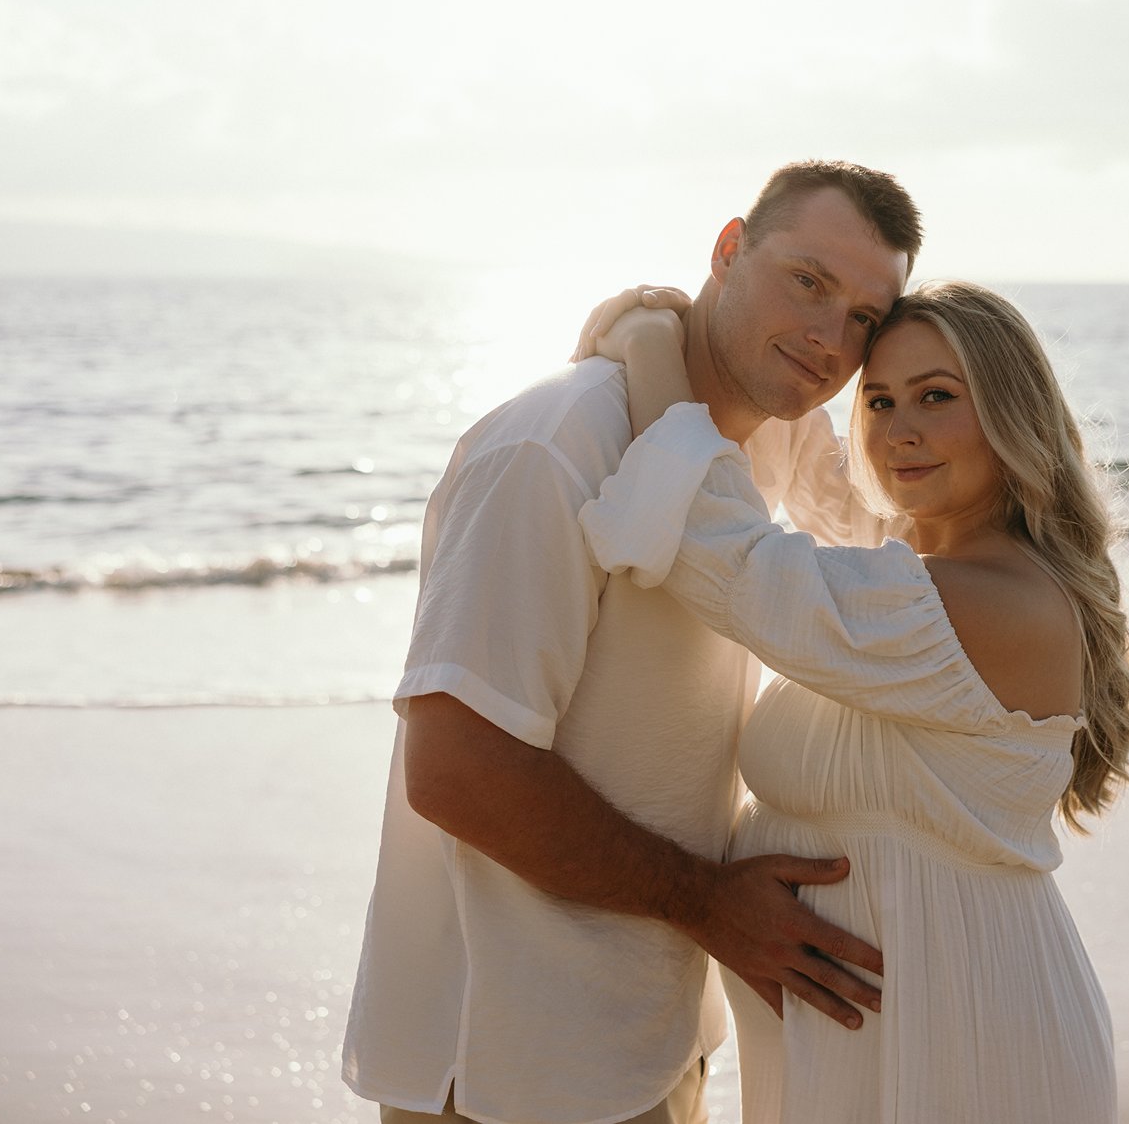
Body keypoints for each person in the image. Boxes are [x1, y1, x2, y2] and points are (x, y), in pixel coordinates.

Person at [342, 161, 924, 1124]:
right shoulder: (550, 448)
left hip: (652, 1040)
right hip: (508, 1061)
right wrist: (707, 901)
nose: (830, 338)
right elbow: (456, 769)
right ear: (728, 249)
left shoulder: (768, 444)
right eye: (808, 283)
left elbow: (896, 553)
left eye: (865, 317)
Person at [578, 280, 1129, 1123]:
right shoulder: (917, 573)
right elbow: (822, 486)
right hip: (870, 1036)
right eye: (879, 401)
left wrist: (648, 342)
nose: (900, 431)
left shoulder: (982, 602)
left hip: (961, 1038)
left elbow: (723, 557)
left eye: (937, 397)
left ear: (1010, 414)